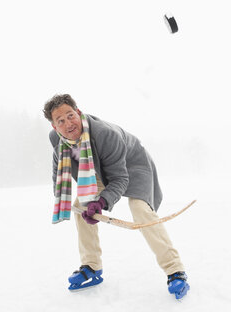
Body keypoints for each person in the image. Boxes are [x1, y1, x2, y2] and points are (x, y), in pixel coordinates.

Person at [43, 94, 190, 299]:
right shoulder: (56, 140)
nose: (69, 123)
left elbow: (120, 178)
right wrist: (61, 198)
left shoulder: (105, 134)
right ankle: (91, 266)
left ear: (78, 112)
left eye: (70, 115)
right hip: (98, 169)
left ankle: (175, 270)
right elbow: (58, 170)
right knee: (81, 205)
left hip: (134, 165)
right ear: (54, 127)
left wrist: (102, 201)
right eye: (61, 120)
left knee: (140, 209)